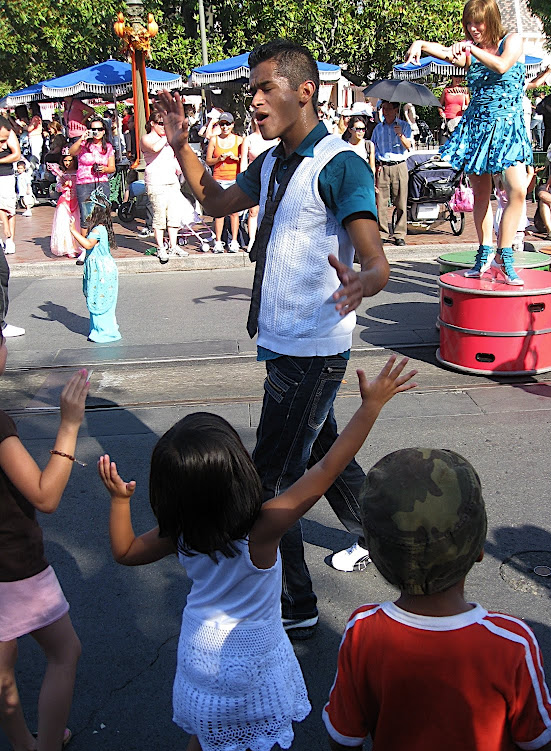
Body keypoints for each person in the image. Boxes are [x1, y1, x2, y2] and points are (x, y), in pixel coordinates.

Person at [98, 356, 416, 751]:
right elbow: (326, 470)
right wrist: (370, 407)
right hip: (250, 660)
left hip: (199, 656)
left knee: (203, 743)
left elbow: (125, 552)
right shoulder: (263, 529)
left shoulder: (181, 532)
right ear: (239, 473)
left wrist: (118, 500)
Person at [155, 39, 391, 624]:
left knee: (272, 482)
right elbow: (214, 200)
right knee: (323, 453)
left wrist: (365, 280)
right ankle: (384, 538)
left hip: (311, 350)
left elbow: (375, 259)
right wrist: (181, 145)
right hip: (286, 344)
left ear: (304, 91)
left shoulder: (338, 164)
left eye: (266, 88)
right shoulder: (272, 162)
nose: (255, 102)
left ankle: (295, 605)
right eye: (252, 90)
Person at [323, 447, 551, 751]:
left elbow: (343, 735)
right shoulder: (511, 642)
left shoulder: (363, 630)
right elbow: (539, 739)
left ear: (377, 557)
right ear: (478, 550)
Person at [0, 349, 101, 751]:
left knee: (3, 667)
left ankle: (25, 750)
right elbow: (45, 495)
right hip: (15, 562)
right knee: (64, 652)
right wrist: (70, 424)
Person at [407, 0, 533, 285]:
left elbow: (501, 65)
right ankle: (485, 251)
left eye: (479, 22)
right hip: (478, 127)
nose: (473, 29)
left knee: (517, 190)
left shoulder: (511, 41)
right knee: (481, 192)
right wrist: (421, 44)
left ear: (492, 19)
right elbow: (445, 52)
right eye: (469, 24)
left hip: (507, 126)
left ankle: (504, 254)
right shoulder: (470, 50)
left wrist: (470, 49)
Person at [70, 189, 121, 343]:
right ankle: (102, 330)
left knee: (99, 299)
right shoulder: (101, 228)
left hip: (101, 271)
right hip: (103, 269)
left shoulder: (98, 230)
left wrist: (73, 231)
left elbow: (87, 244)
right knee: (101, 299)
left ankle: (104, 333)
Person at [140, 110, 188, 264]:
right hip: (156, 181)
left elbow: (173, 158)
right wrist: (168, 135)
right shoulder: (146, 138)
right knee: (159, 216)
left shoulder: (168, 140)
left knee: (174, 215)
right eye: (161, 124)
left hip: (171, 180)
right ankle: (161, 247)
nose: (164, 127)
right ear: (152, 124)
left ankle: (174, 245)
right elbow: (154, 149)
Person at [69, 117, 115, 265]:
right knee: (86, 216)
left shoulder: (108, 147)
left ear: (104, 131)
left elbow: (112, 167)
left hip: (101, 182)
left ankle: (101, 245)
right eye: (93, 129)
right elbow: (71, 152)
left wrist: (104, 169)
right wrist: (81, 139)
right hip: (84, 182)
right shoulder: (84, 144)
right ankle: (84, 249)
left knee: (102, 213)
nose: (96, 132)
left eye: (99, 129)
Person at [371, 100, 412, 246]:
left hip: (399, 166)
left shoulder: (405, 126)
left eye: (388, 108)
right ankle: (382, 232)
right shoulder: (378, 128)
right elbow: (373, 148)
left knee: (401, 201)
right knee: (381, 202)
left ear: (396, 110)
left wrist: (401, 135)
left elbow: (409, 146)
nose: (385, 112)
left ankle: (399, 234)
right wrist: (376, 165)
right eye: (383, 108)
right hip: (383, 167)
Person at [205, 112, 244, 253]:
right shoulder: (214, 140)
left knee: (234, 212)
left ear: (232, 125)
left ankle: (234, 241)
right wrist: (218, 159)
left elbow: (244, 159)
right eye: (222, 124)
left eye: (228, 124)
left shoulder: (239, 140)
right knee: (220, 212)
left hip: (234, 178)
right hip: (219, 179)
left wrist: (235, 158)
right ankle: (218, 241)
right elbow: (208, 160)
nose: (225, 127)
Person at [240, 113, 278, 252]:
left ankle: (267, 239)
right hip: (254, 178)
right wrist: (243, 180)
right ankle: (252, 239)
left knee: (270, 210)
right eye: (256, 118)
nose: (258, 121)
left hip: (271, 178)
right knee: (253, 211)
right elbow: (243, 161)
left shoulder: (275, 139)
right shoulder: (249, 139)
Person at [50, 153, 80, 258]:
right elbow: (58, 188)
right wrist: (63, 185)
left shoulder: (79, 172)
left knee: (76, 224)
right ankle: (68, 248)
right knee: (64, 225)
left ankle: (77, 247)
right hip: (64, 202)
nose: (68, 163)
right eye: (65, 160)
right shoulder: (61, 174)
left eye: (70, 160)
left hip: (76, 202)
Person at [0, 118, 21, 256]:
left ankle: (10, 240)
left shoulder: (7, 130)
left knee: (9, 206)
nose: (3, 145)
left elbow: (16, 154)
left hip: (5, 174)